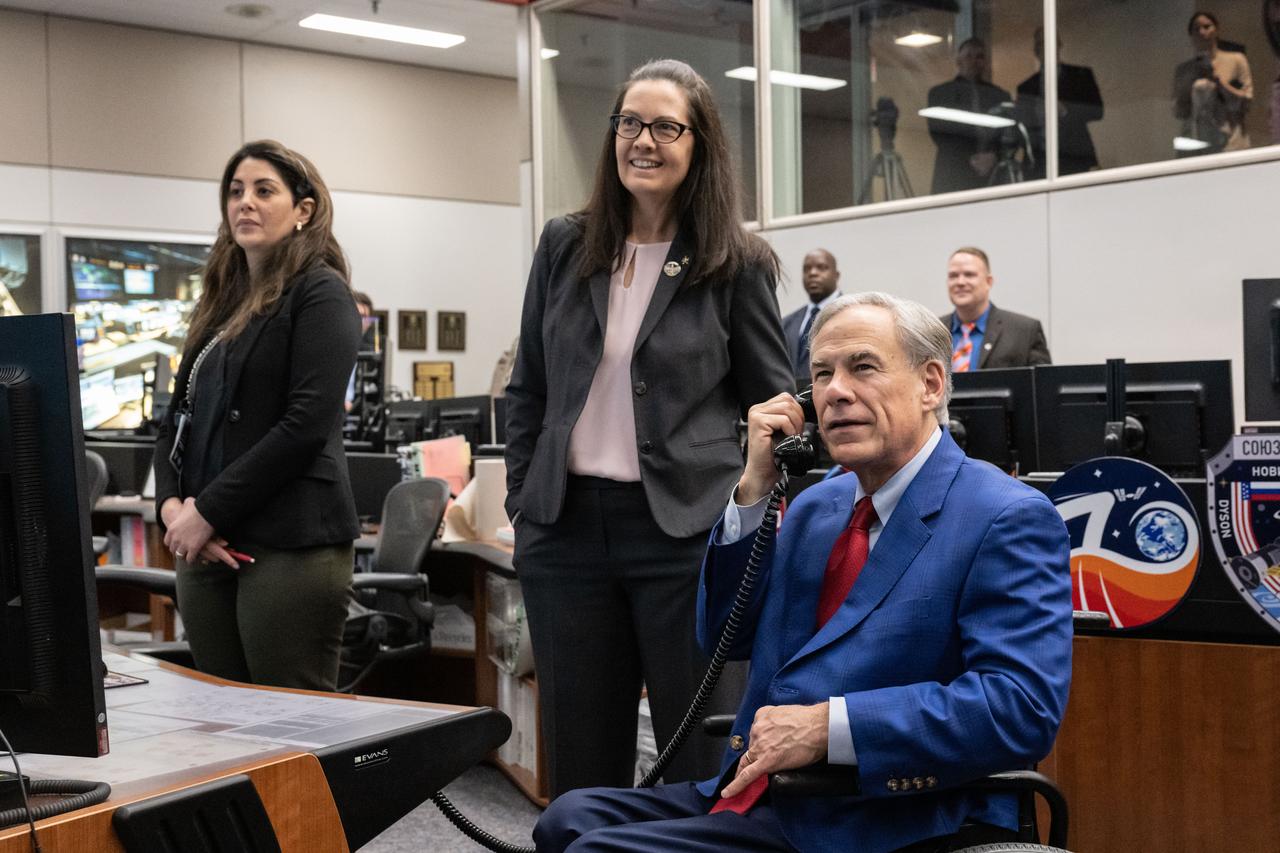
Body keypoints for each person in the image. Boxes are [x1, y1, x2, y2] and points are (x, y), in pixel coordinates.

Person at [534, 291, 1073, 853]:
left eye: (862, 367)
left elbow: (1019, 708)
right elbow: (724, 638)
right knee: (567, 817)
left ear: (931, 384)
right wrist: (752, 491)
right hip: (761, 790)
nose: (835, 391)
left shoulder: (1006, 516)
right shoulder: (818, 506)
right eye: (821, 374)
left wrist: (828, 727)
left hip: (886, 812)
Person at [505, 59, 793, 797]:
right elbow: (528, 386)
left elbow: (777, 406)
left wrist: (759, 495)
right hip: (565, 532)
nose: (644, 140)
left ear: (699, 145)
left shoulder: (736, 262)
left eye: (667, 126)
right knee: (580, 755)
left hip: (683, 536)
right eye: (630, 123)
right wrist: (522, 503)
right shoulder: (564, 245)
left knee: (695, 753)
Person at [153, 140, 361, 691]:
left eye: (264, 191)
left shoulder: (322, 293)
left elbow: (305, 426)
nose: (246, 202)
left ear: (304, 210)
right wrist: (172, 507)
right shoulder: (221, 303)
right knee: (223, 723)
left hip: (290, 542)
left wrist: (208, 512)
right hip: (205, 541)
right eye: (236, 191)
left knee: (289, 728)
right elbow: (178, 416)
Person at [941, 246, 1050, 370]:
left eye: (969, 275)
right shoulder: (930, 332)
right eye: (953, 276)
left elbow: (1044, 387)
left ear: (989, 282)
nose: (960, 282)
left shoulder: (1025, 331)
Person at [1015, 27, 1104, 179]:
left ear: (1059, 45)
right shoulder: (1026, 87)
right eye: (1041, 43)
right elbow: (1022, 125)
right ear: (1036, 50)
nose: (1046, 47)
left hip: (1074, 157)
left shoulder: (1080, 76)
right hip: (1039, 161)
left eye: (1050, 41)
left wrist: (1065, 110)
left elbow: (1097, 111)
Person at [925, 38, 1012, 194]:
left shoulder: (999, 96)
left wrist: (994, 156)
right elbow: (940, 133)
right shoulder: (940, 94)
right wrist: (971, 159)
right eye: (969, 56)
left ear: (985, 62)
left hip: (993, 176)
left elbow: (1009, 134)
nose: (974, 61)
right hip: (953, 175)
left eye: (979, 56)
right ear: (958, 61)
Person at [1173, 11, 1253, 153]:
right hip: (1197, 145)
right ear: (1191, 35)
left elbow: (1246, 103)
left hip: (1232, 144)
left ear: (1217, 29)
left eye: (1207, 26)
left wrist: (1218, 81)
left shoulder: (1236, 60)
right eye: (1196, 29)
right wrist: (1189, 84)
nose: (1202, 32)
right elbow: (1180, 112)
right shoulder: (1184, 71)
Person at [781, 249, 840, 386]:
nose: (813, 273)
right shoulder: (786, 323)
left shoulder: (852, 315)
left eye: (821, 268)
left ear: (836, 275)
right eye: (807, 269)